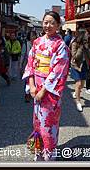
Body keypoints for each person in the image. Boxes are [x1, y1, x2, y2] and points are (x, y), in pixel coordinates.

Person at [22, 11, 69, 161]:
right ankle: (39, 151)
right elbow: (30, 65)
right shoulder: (36, 43)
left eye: (52, 23)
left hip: (49, 91)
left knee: (48, 123)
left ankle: (49, 155)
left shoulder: (60, 45)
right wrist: (31, 85)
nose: (48, 26)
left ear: (58, 25)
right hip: (36, 87)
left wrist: (43, 90)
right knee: (37, 121)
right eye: (45, 22)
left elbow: (58, 71)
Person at [69, 29, 90, 112]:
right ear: (82, 35)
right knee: (78, 84)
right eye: (86, 35)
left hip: (84, 66)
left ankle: (76, 92)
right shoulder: (74, 43)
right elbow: (75, 57)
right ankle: (78, 102)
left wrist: (88, 48)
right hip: (76, 66)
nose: (88, 37)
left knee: (82, 85)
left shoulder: (86, 44)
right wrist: (81, 48)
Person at [22, 31, 37, 102]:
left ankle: (33, 92)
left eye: (34, 35)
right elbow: (22, 55)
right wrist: (20, 65)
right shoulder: (26, 44)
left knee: (34, 80)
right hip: (27, 65)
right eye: (32, 36)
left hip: (36, 65)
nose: (33, 37)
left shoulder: (38, 44)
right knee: (27, 80)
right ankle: (27, 94)